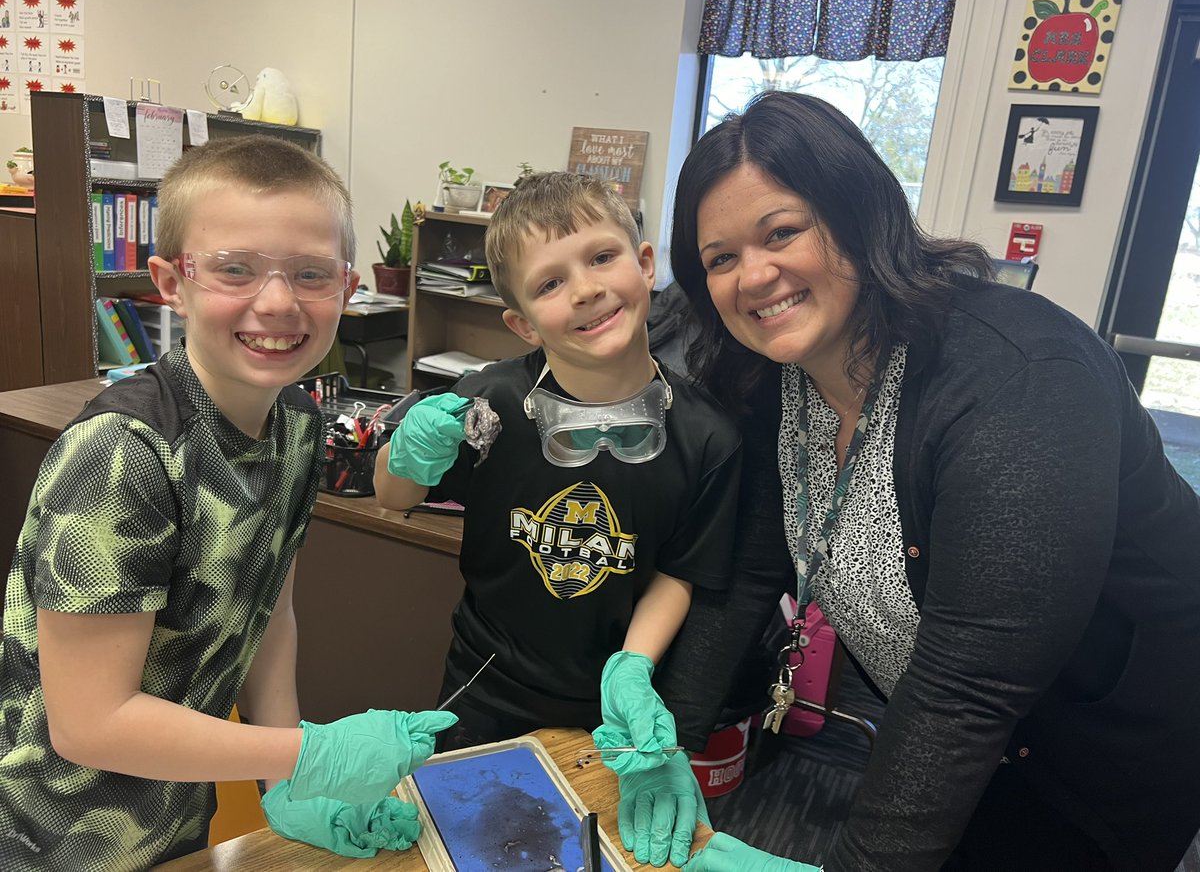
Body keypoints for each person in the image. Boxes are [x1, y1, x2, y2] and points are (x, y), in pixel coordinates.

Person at [656, 90, 1200, 871]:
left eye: (781, 232)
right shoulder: (781, 378)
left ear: (856, 213)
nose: (755, 275)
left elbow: (967, 688)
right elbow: (749, 569)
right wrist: (664, 739)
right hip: (957, 730)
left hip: (1112, 738)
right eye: (720, 259)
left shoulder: (1018, 381)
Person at [0, 135, 456, 870]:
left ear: (346, 287)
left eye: (310, 274)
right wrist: (309, 753)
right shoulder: (124, 453)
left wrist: (283, 782)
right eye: (235, 270)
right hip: (52, 839)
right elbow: (88, 723)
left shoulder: (298, 426)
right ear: (170, 282)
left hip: (178, 810)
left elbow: (268, 610)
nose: (276, 302)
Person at [375, 171, 742, 867]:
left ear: (643, 264)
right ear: (521, 323)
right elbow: (393, 498)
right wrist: (408, 452)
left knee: (607, 853)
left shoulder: (706, 436)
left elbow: (683, 571)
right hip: (484, 687)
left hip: (620, 707)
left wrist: (634, 667)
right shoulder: (490, 404)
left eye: (602, 258)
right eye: (549, 284)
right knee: (471, 850)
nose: (584, 289)